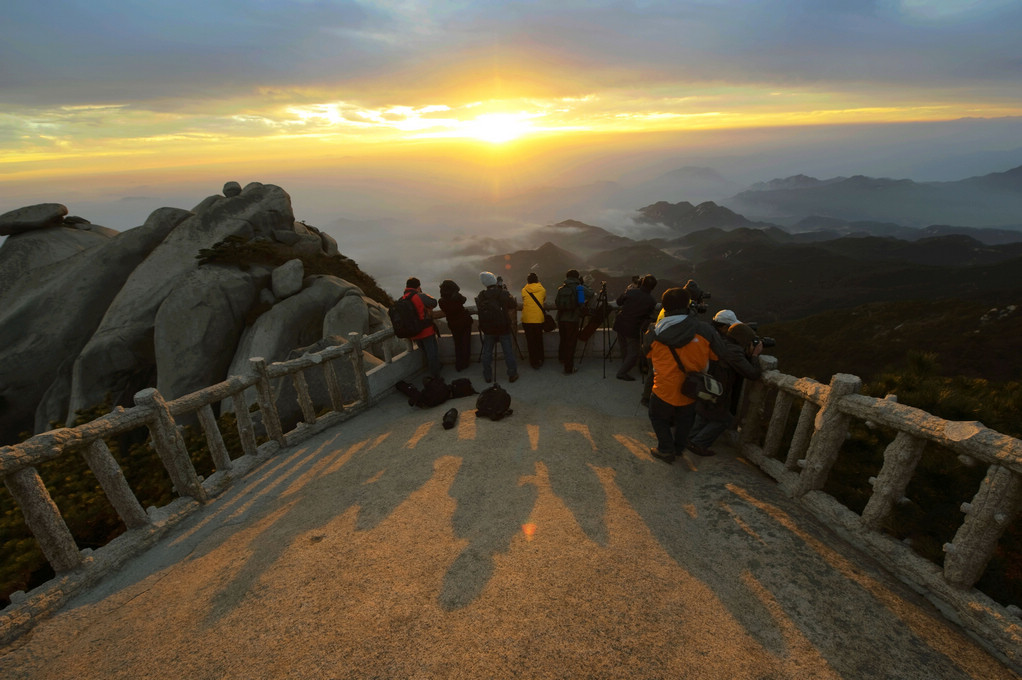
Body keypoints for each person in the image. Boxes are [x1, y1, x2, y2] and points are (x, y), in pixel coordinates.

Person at [642, 287, 727, 464]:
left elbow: (647, 356)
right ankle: (679, 448)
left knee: (657, 417)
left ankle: (665, 449)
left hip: (663, 386)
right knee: (685, 419)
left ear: (664, 307)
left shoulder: (654, 332)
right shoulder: (705, 330)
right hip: (692, 387)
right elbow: (719, 355)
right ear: (689, 306)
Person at [687, 322, 764, 457]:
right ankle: (698, 443)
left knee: (703, 413)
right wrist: (755, 356)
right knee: (725, 419)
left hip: (706, 386)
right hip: (718, 392)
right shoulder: (734, 352)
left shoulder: (720, 343)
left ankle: (689, 439)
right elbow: (753, 374)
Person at [476, 271, 519, 383]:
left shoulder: (482, 295)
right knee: (508, 351)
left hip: (488, 328)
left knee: (487, 352)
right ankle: (512, 374)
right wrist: (505, 291)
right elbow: (513, 305)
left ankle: (488, 375)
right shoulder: (502, 293)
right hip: (503, 327)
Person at [612, 274, 657, 381]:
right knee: (634, 352)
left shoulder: (630, 292)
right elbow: (649, 315)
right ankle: (622, 372)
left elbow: (618, 302)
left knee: (623, 347)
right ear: (653, 287)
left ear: (642, 282)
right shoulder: (651, 301)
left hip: (620, 323)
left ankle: (625, 365)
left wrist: (627, 291)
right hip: (633, 328)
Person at [554, 269, 593, 374]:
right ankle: (568, 368)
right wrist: (583, 284)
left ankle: (562, 359)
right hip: (572, 320)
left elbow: (557, 302)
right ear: (577, 277)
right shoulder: (579, 288)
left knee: (563, 340)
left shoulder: (561, 288)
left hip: (561, 319)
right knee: (571, 343)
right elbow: (590, 295)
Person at [401, 277, 441, 378]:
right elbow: (434, 302)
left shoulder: (402, 299)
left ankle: (432, 369)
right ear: (418, 286)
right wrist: (421, 293)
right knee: (432, 353)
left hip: (413, 332)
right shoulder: (419, 296)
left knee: (425, 352)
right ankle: (435, 375)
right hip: (426, 330)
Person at [439, 279, 474, 372]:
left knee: (457, 344)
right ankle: (465, 363)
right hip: (464, 322)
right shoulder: (457, 297)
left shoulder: (441, 301)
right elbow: (464, 299)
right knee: (466, 343)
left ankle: (458, 364)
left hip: (453, 324)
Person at [521, 272, 547, 369]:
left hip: (527, 319)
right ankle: (541, 358)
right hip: (538, 319)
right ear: (537, 280)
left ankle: (534, 361)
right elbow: (543, 299)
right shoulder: (542, 289)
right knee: (539, 340)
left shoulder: (524, 290)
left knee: (530, 341)